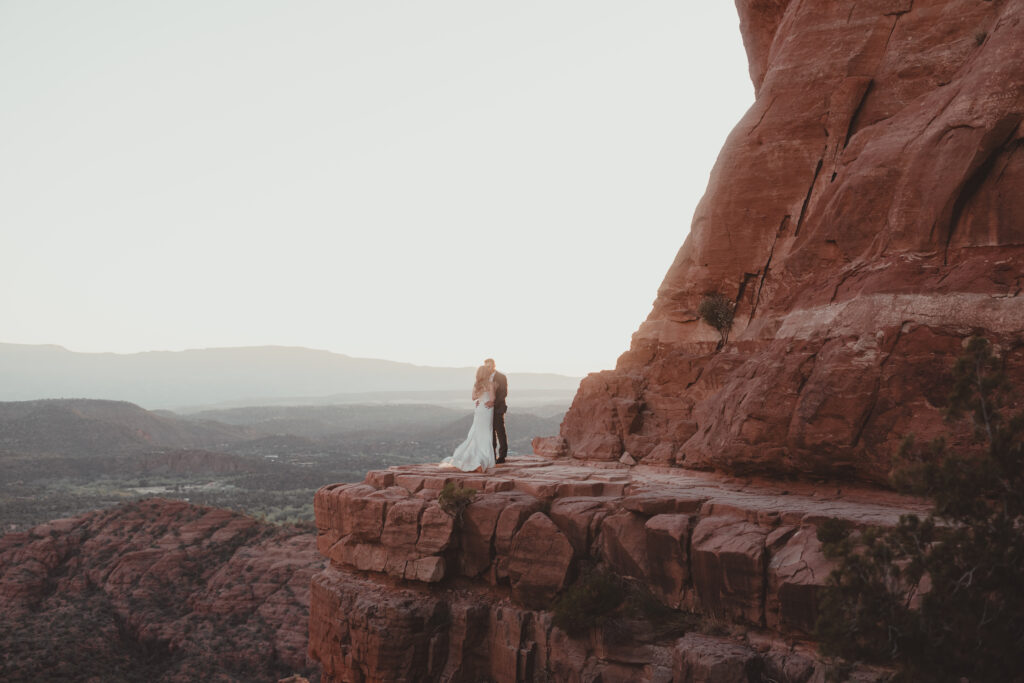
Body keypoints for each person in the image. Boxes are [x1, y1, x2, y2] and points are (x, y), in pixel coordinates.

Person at [440, 365, 496, 472]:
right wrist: (489, 400)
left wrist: (481, 397)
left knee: (475, 433)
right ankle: (485, 459)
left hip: (479, 409)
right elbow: (492, 398)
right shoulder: (490, 384)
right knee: (486, 433)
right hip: (487, 410)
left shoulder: (477, 384)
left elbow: (473, 398)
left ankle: (471, 457)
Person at [483, 358, 508, 464]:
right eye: (486, 366)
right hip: (486, 409)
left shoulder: (501, 377)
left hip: (498, 408)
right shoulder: (484, 377)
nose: (489, 368)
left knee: (500, 432)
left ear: (494, 365)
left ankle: (502, 456)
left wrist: (493, 403)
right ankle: (492, 455)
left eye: (490, 366)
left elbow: (504, 393)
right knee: (490, 432)